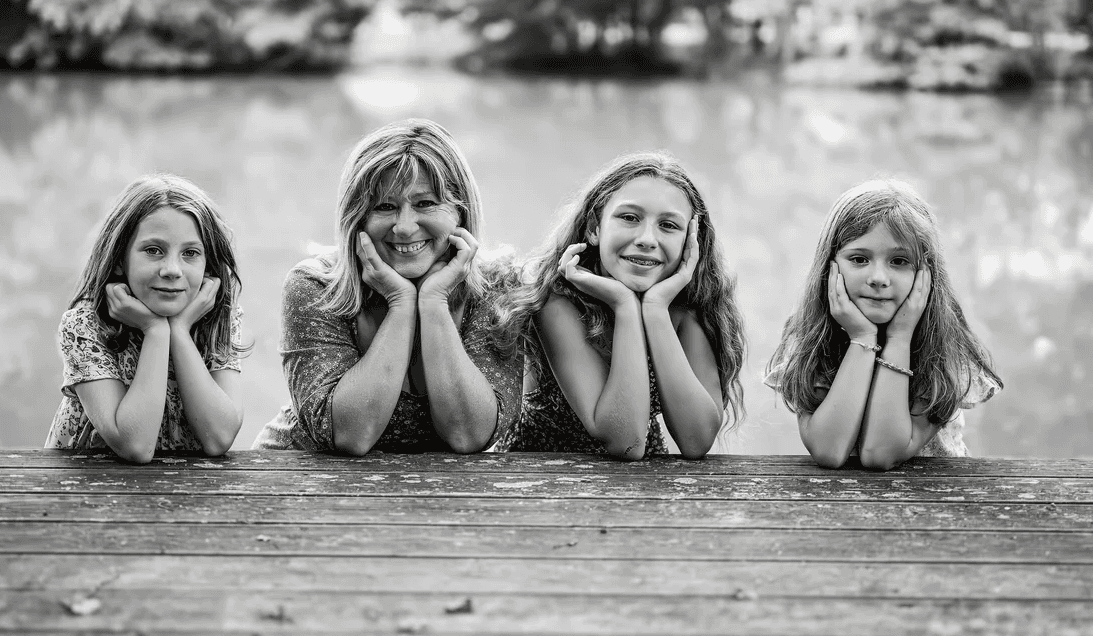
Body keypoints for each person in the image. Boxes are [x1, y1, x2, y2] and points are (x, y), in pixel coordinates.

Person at [254, 118, 522, 455]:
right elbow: (352, 435)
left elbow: (469, 435)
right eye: (385, 206)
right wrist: (401, 303)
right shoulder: (313, 286)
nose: (405, 227)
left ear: (461, 212)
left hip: (437, 495)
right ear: (357, 218)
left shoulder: (498, 288)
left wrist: (435, 302)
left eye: (425, 203)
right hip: (303, 481)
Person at [498, 151, 746, 460]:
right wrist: (625, 306)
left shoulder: (687, 308)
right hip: (542, 478)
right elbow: (624, 442)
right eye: (629, 218)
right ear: (594, 228)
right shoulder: (556, 301)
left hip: (639, 485)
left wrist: (655, 310)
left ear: (691, 242)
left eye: (668, 225)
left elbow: (696, 441)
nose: (646, 239)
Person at [765, 179, 1002, 469]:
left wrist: (900, 338)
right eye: (860, 259)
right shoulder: (811, 340)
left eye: (899, 261)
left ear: (926, 273)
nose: (878, 277)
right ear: (830, 267)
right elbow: (829, 450)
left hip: (932, 502)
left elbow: (880, 454)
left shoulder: (942, 347)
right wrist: (862, 337)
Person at [45, 174, 248, 463]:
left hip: (184, 490)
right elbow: (135, 446)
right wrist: (155, 330)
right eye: (154, 251)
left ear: (208, 265)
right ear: (118, 259)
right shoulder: (84, 325)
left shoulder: (219, 318)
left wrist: (179, 330)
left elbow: (218, 437)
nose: (172, 269)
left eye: (190, 253)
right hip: (91, 489)